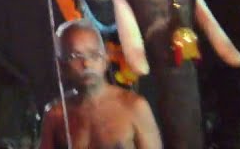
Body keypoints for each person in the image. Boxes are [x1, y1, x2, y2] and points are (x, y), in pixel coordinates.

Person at [38, 21, 160, 149]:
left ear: (106, 58)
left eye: (93, 55)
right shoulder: (55, 115)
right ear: (61, 66)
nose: (86, 64)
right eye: (76, 56)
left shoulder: (134, 107)